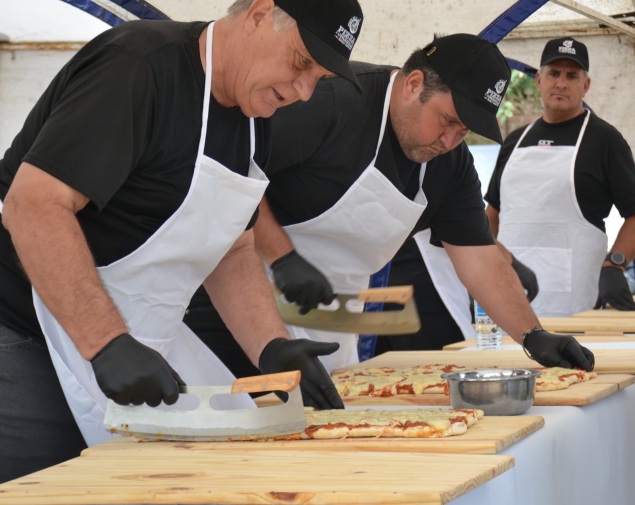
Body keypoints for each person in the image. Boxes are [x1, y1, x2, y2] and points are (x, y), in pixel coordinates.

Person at [0, 0, 365, 502]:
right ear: (258, 16)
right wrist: (106, 344)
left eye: (321, 79)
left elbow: (234, 246)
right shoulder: (138, 67)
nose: (305, 92)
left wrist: (271, 348)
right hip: (1, 314)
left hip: (94, 326)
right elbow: (35, 207)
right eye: (301, 64)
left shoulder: (251, 114)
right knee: (34, 493)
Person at [185, 33, 595, 374]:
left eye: (464, 130)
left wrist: (531, 335)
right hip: (233, 297)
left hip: (327, 323)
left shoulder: (450, 164)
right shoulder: (331, 102)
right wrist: (281, 257)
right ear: (414, 84)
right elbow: (236, 180)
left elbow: (479, 259)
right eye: (448, 120)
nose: (450, 141)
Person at [485, 37, 635, 316]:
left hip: (576, 306)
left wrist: (615, 264)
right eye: (554, 73)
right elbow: (492, 214)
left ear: (585, 86)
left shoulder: (605, 140)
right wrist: (487, 266)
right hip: (510, 299)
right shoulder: (515, 141)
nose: (561, 83)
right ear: (539, 80)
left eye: (572, 75)